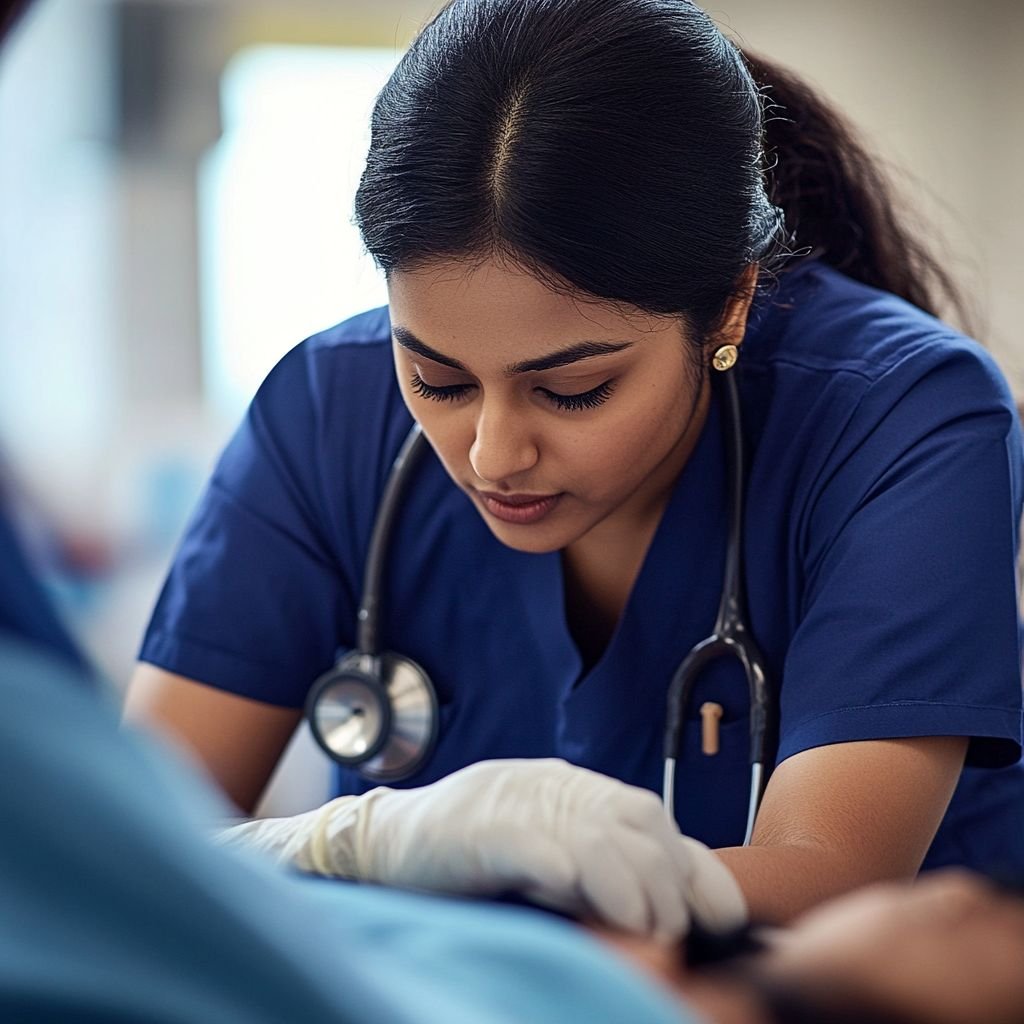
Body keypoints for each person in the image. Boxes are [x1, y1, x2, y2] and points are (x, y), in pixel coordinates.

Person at [126, 0, 1024, 929]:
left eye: (574, 390)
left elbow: (830, 882)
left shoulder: (902, 412)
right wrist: (356, 840)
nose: (492, 455)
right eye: (437, 379)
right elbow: (123, 854)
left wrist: (507, 887)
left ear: (728, 307)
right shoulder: (326, 413)